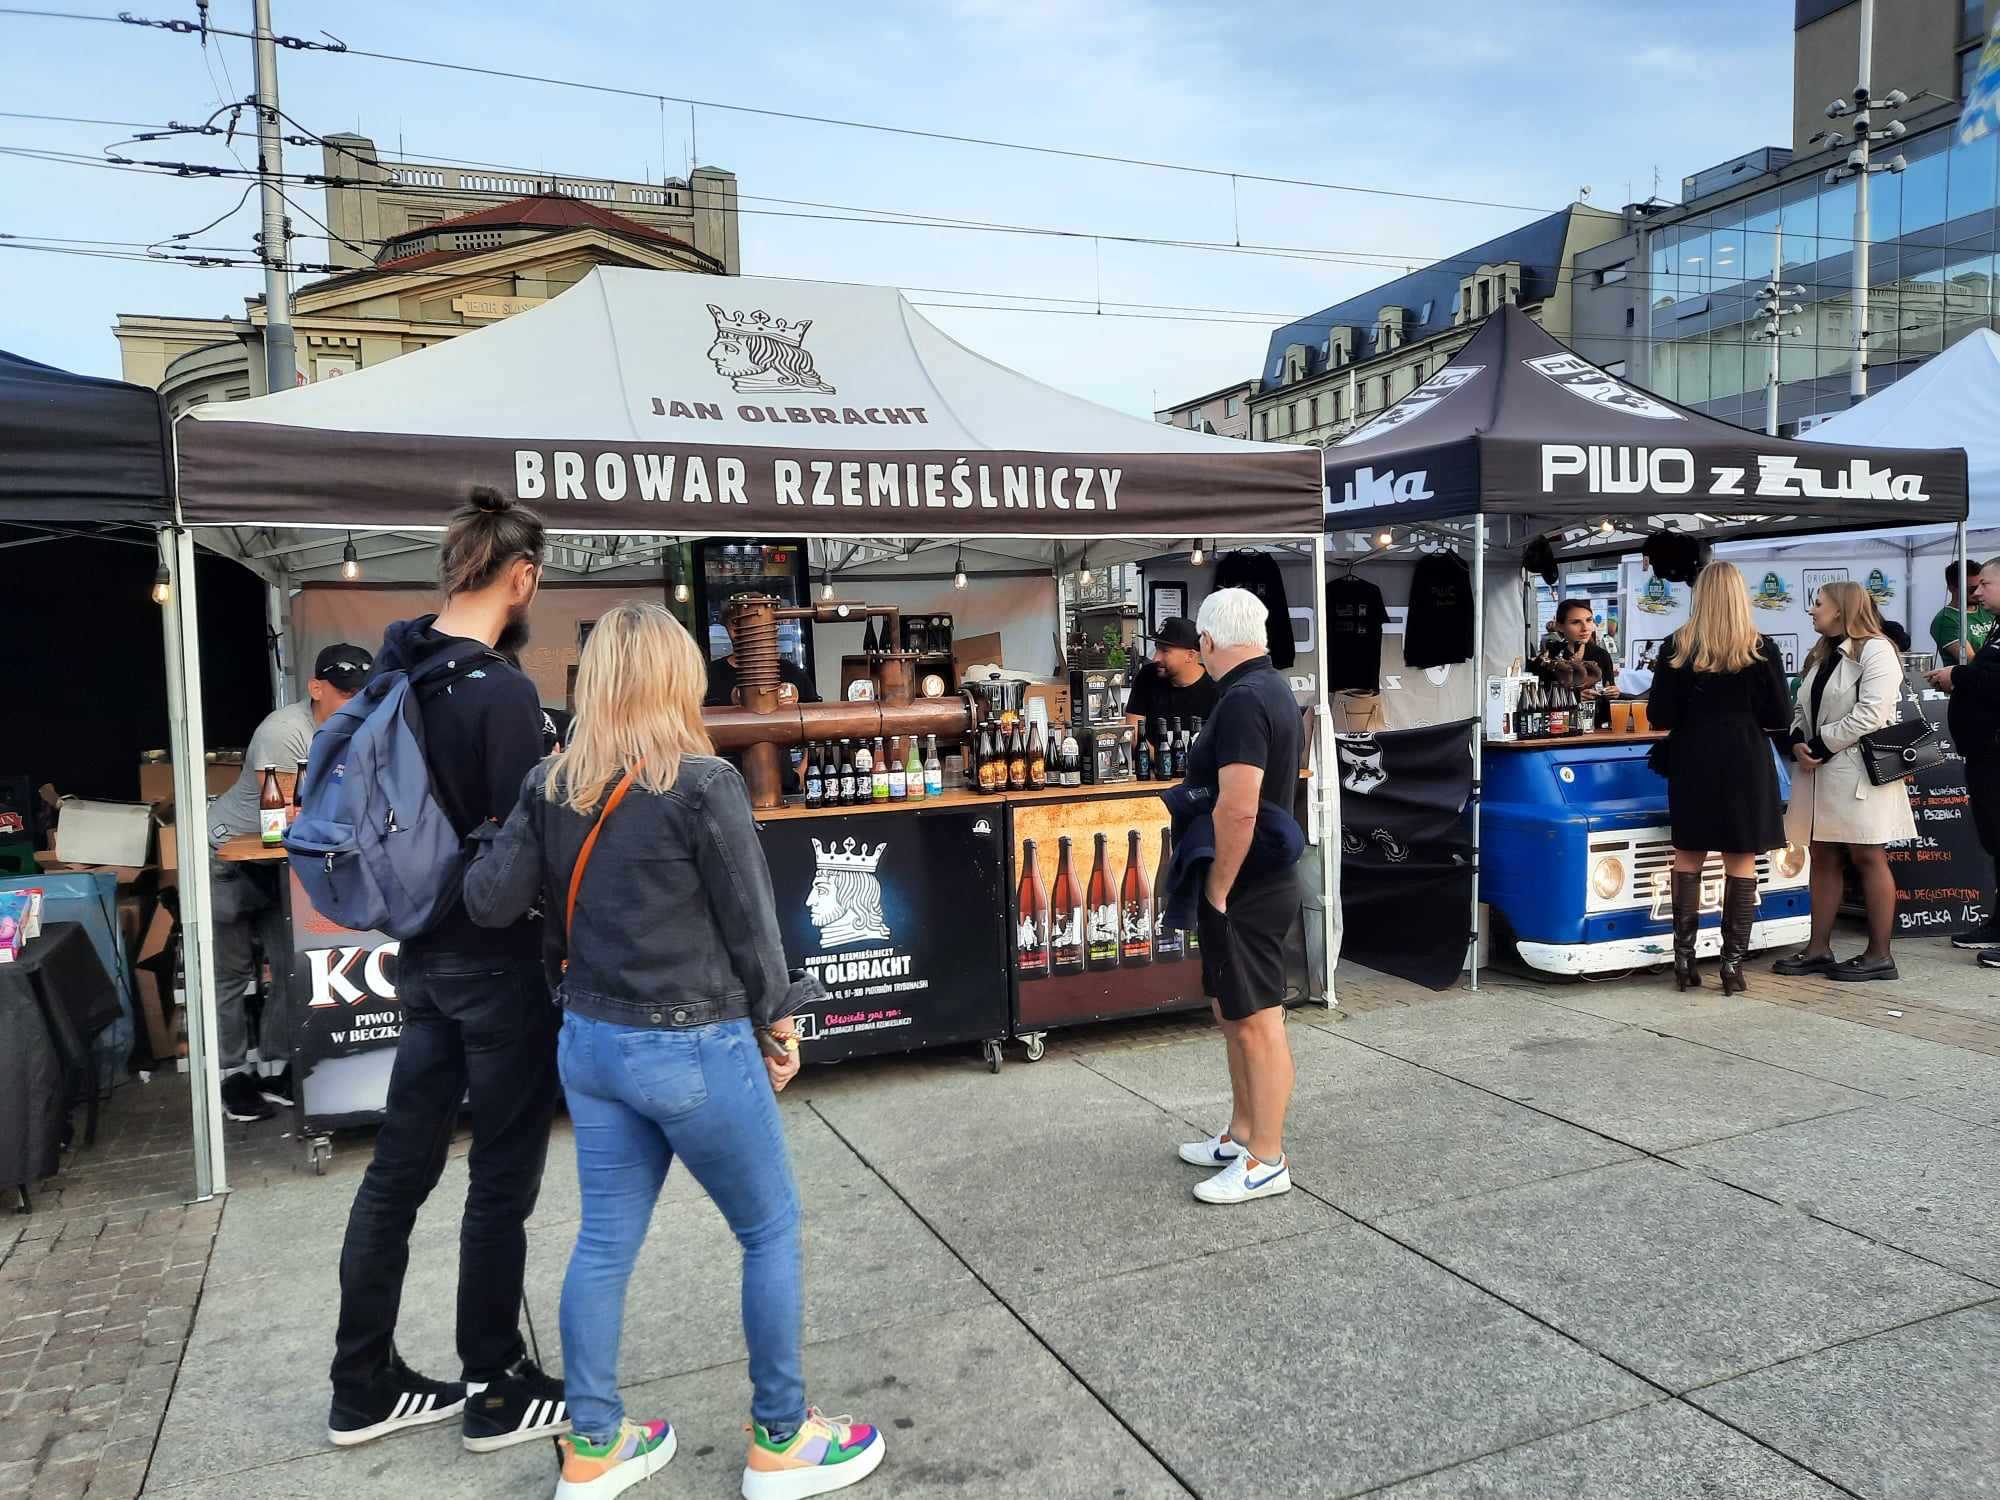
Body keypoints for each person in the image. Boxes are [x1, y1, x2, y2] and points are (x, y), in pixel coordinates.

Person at [464, 602, 885, 1500]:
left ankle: (595, 1443)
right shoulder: (702, 783)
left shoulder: (550, 783)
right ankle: (782, 1439)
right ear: (674, 678)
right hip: (692, 1044)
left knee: (605, 1244)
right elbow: (752, 924)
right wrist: (780, 1022)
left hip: (591, 1042)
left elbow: (489, 902)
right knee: (768, 1230)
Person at [327, 489, 570, 1453]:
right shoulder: (501, 690)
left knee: (398, 1173)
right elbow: (524, 847)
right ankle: (496, 1384)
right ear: (522, 576)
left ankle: (362, 1382)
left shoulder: (397, 675)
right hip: (497, 964)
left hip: (417, 956)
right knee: (500, 1178)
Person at [1175, 587, 1305, 1205]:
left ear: (1206, 641)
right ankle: (1241, 1134)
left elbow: (1238, 808)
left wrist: (1219, 890)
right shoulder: (1268, 689)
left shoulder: (1245, 700)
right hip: (1258, 878)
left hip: (1248, 883)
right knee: (1233, 1014)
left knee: (1257, 1022)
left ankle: (1266, 1158)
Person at [204, 643, 372, 1120]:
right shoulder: (284, 732)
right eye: (343, 691)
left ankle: (277, 1066)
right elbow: (287, 819)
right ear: (315, 688)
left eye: (361, 692)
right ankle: (231, 1076)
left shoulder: (360, 727)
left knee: (288, 967)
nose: (354, 700)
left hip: (284, 864)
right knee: (231, 976)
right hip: (230, 857)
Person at [1646, 562, 1791, 995]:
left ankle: (1683, 961)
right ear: (1740, 595)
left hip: (1692, 756)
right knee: (1741, 860)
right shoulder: (1760, 647)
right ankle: (1731, 967)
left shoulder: (1678, 645)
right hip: (1745, 758)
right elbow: (1779, 717)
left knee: (1688, 856)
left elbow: (1659, 715)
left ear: (1700, 595)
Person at [1772, 582, 1915, 983]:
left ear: (1841, 609)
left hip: (1859, 772)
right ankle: (1818, 948)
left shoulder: (1877, 649)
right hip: (1820, 770)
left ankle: (1879, 954)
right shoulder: (1822, 654)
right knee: (1824, 854)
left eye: (1818, 603)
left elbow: (1873, 712)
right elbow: (1802, 707)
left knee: (1868, 855)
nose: (1812, 610)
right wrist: (1799, 741)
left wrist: (1821, 744)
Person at [1927, 556, 2000, 967]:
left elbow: (1992, 680)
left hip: (1995, 748)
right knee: (1994, 841)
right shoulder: (1994, 626)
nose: (1976, 592)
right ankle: (1996, 922)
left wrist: (1958, 676)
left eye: (1984, 584)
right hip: (1984, 750)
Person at [1124, 616, 1220, 734]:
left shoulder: (1218, 687)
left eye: (1165, 651)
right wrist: (1156, 753)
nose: (1155, 658)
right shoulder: (1147, 676)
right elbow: (1133, 728)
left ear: (1190, 655)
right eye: (1156, 649)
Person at [1536, 598, 1620, 696]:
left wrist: (1614, 693)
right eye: (1576, 622)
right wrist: (1574, 697)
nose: (1585, 628)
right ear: (1560, 626)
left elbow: (1608, 687)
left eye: (1589, 620)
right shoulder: (1550, 656)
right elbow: (1541, 697)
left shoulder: (1602, 655)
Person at [1930, 557, 1992, 664]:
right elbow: (1971, 661)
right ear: (1952, 588)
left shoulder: (1987, 608)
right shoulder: (1945, 619)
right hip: (1968, 679)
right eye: (1972, 589)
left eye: (1982, 586)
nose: (1978, 592)